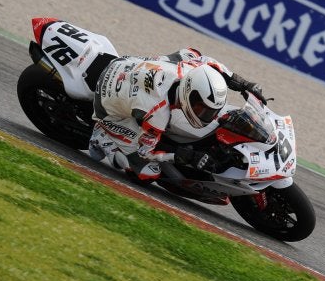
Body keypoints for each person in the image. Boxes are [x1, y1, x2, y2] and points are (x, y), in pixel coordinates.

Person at [88, 48, 266, 181]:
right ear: (189, 95)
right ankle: (103, 136)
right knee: (147, 172)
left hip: (128, 66)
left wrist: (244, 84)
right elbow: (147, 152)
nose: (208, 115)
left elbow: (210, 63)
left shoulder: (191, 70)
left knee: (189, 53)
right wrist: (186, 155)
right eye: (202, 109)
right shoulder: (157, 113)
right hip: (108, 108)